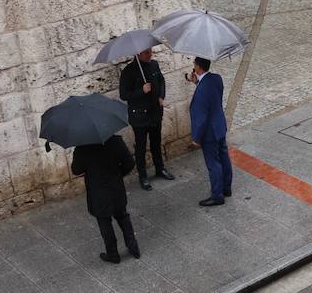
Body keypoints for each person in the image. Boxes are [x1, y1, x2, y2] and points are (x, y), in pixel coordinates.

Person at [71, 135, 140, 264]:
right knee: (123, 216)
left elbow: (76, 170)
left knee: (104, 222)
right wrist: (118, 174)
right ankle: (133, 246)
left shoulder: (82, 149)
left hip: (98, 192)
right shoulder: (116, 140)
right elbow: (129, 163)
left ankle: (113, 254)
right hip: (116, 187)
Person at [119, 48, 175, 191]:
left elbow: (161, 81)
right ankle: (143, 176)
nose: (150, 54)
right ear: (138, 54)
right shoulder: (128, 71)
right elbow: (124, 95)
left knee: (156, 143)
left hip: (155, 112)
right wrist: (141, 91)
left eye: (150, 51)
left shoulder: (154, 65)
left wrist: (161, 96)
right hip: (139, 116)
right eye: (147, 53)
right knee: (141, 147)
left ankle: (160, 168)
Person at [187, 57, 233, 207]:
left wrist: (196, 139)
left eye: (194, 65)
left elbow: (201, 117)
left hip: (209, 133)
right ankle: (227, 188)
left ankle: (217, 195)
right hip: (219, 126)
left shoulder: (202, 90)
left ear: (198, 68)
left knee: (213, 163)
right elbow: (211, 95)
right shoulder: (216, 79)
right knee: (224, 157)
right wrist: (197, 83)